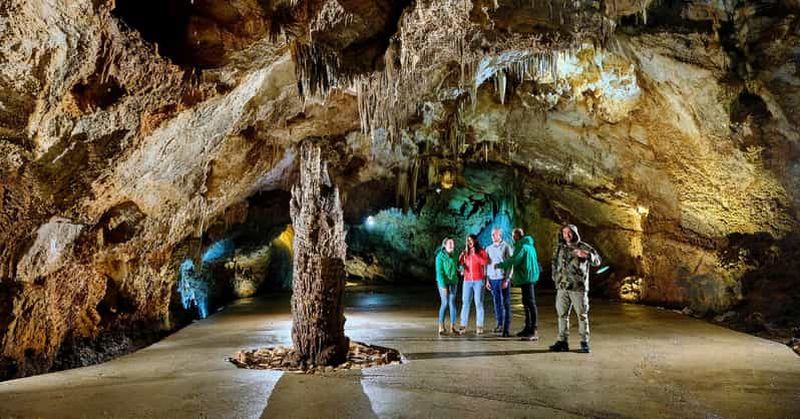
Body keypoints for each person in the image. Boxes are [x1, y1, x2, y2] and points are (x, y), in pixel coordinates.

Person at [548, 224, 601, 354]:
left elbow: (598, 261)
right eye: (564, 233)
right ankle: (562, 341)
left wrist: (587, 255)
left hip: (578, 288)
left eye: (569, 232)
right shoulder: (560, 248)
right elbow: (554, 262)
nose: (567, 235)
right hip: (562, 287)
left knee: (582, 315)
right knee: (562, 315)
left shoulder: (583, 247)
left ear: (574, 233)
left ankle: (584, 342)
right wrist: (555, 276)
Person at [496, 228, 541, 341]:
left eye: (513, 235)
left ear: (517, 236)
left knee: (530, 303)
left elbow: (514, 260)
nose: (512, 237)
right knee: (526, 303)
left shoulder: (522, 247)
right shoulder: (530, 246)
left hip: (526, 277)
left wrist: (500, 265)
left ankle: (533, 330)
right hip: (529, 276)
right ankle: (528, 328)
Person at [457, 234, 489, 335]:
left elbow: (485, 262)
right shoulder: (465, 252)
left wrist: (475, 255)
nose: (469, 242)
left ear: (475, 241)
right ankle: (463, 325)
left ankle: (479, 326)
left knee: (478, 303)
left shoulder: (481, 251)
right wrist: (461, 263)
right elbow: (461, 264)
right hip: (467, 281)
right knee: (465, 303)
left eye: (471, 240)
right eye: (468, 240)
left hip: (478, 281)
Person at [485, 228, 513, 337]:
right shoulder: (488, 248)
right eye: (492, 234)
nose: (493, 236)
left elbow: (510, 263)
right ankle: (499, 324)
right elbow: (487, 265)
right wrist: (487, 280)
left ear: (500, 235)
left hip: (502, 278)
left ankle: (506, 327)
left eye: (495, 234)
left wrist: (507, 279)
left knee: (506, 303)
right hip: (492, 279)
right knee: (496, 302)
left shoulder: (506, 246)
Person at [435, 237, 459, 335]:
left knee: (452, 303)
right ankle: (441, 326)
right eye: (449, 243)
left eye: (452, 243)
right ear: (444, 245)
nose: (451, 245)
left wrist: (461, 268)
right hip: (443, 282)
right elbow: (439, 273)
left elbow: (458, 265)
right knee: (444, 303)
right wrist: (443, 286)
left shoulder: (455, 254)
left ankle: (452, 326)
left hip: (453, 282)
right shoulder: (439, 257)